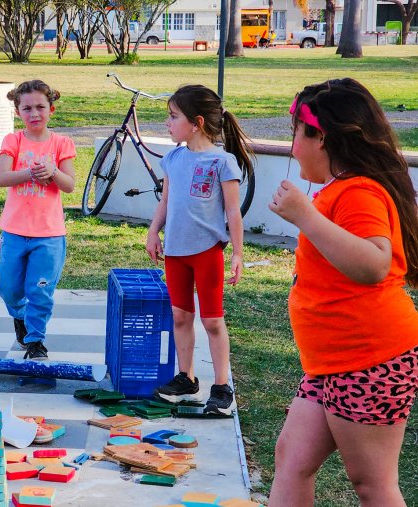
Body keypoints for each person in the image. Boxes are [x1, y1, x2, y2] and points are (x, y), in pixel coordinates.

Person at [268, 78, 418, 506]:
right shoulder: (341, 190)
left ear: (323, 137)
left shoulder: (360, 191)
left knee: (372, 483)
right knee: (292, 459)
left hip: (371, 360)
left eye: (297, 132)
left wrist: (304, 216)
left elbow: (373, 265)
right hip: (332, 364)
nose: (292, 146)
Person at [146, 84, 253, 415]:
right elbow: (165, 201)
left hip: (206, 252)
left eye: (173, 116)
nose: (167, 122)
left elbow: (233, 211)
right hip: (176, 252)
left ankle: (221, 387)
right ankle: (186, 378)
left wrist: (237, 252)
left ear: (196, 123)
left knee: (212, 321)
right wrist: (153, 232)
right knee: (180, 315)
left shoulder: (222, 162)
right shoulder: (173, 159)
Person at [0, 80, 76, 361]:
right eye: (27, 108)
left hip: (50, 235)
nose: (34, 113)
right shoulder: (13, 141)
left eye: (40, 107)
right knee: (9, 289)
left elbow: (69, 185)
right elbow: (1, 178)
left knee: (39, 290)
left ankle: (35, 341)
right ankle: (20, 317)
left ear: (51, 109)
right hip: (14, 231)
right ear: (18, 112)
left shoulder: (61, 143)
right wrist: (30, 173)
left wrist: (52, 171)